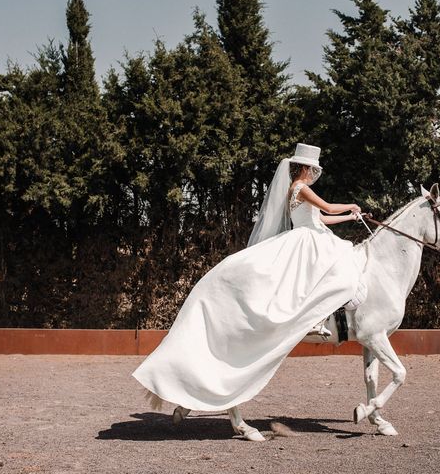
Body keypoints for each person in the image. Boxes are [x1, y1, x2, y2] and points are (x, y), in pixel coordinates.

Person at [132, 143, 362, 412]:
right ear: (307, 169)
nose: (314, 174)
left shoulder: (301, 189)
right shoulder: (300, 188)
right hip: (307, 240)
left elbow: (321, 218)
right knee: (325, 273)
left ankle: (320, 318)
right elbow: (328, 209)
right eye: (313, 170)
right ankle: (315, 319)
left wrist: (350, 218)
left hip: (313, 234)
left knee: (327, 270)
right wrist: (350, 205)